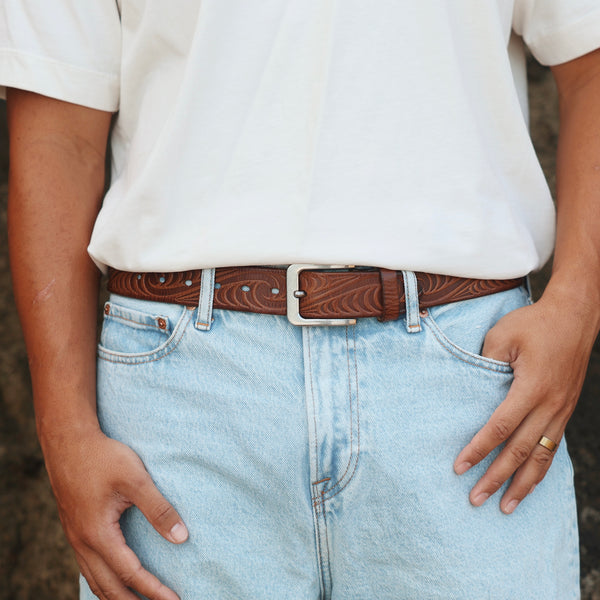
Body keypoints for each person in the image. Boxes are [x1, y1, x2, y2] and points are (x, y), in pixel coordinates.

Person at [2, 1, 600, 598]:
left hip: (463, 391)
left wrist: (577, 305)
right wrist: (65, 432)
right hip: (183, 401)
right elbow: (58, 132)